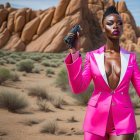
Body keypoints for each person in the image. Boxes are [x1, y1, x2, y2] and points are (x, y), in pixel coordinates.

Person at [64, 5, 140, 140]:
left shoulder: (131, 58)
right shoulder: (92, 57)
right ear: (103, 28)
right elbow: (78, 87)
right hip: (95, 118)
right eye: (110, 23)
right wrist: (74, 53)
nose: (115, 26)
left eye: (119, 23)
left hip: (123, 120)